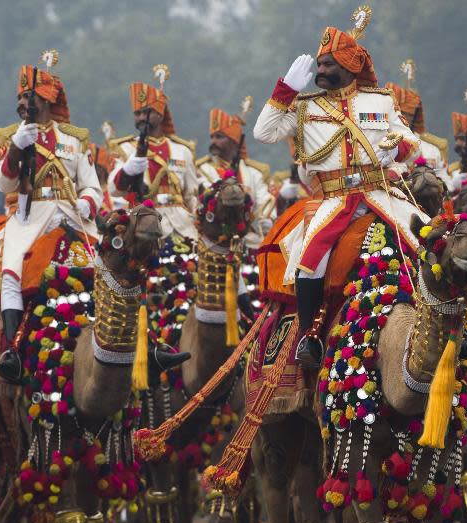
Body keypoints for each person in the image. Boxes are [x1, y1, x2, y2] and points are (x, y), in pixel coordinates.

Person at [253, 7, 425, 367]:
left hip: (381, 194)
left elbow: (412, 144)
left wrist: (397, 146)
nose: (320, 72)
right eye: (319, 65)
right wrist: (285, 90)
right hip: (334, 200)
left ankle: (450, 328)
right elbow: (263, 133)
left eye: (328, 64)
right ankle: (308, 338)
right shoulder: (303, 107)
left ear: (349, 66)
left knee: (430, 242)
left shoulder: (380, 100)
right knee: (309, 262)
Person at [0, 56, 102, 382]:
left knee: (108, 271)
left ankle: (135, 348)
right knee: (10, 274)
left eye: (31, 97)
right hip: (28, 218)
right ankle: (13, 350)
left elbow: (93, 186)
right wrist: (15, 148)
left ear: (48, 100)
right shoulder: (9, 136)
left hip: (70, 217)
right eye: (21, 97)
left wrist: (86, 203)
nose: (24, 103)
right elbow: (3, 184)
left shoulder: (75, 139)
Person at [107, 65, 200, 241]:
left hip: (183, 227)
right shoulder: (125, 149)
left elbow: (191, 196)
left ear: (161, 114)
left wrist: (198, 223)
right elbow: (114, 189)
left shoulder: (182, 150)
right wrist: (130, 168)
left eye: (146, 113)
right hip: (143, 228)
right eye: (137, 113)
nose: (142, 118)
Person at [196, 105, 275, 250]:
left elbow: (265, 203)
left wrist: (266, 219)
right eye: (212, 137)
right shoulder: (202, 170)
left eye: (219, 137)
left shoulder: (253, 173)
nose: (213, 141)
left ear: (234, 141)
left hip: (250, 242)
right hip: (212, 242)